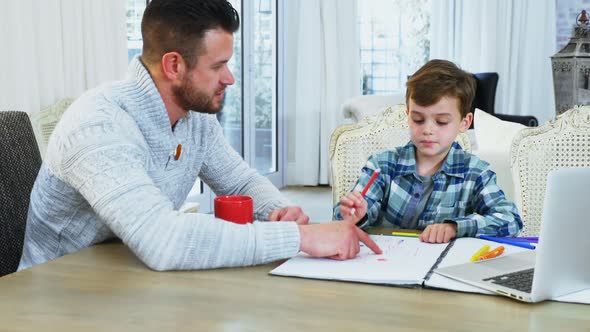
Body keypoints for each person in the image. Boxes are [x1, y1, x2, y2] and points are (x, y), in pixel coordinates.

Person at [19, 0, 380, 271]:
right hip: (60, 294)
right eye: (218, 66)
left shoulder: (194, 116)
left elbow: (238, 182)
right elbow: (164, 241)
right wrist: (302, 237)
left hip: (128, 278)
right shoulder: (98, 125)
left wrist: (280, 211)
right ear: (174, 65)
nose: (230, 78)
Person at [334, 59, 522, 244]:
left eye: (441, 122)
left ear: (464, 122)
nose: (428, 130)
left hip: (443, 269)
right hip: (388, 262)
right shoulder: (381, 165)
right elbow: (345, 217)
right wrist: (355, 214)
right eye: (418, 119)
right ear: (408, 116)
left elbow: (511, 220)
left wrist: (454, 227)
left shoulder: (475, 172)